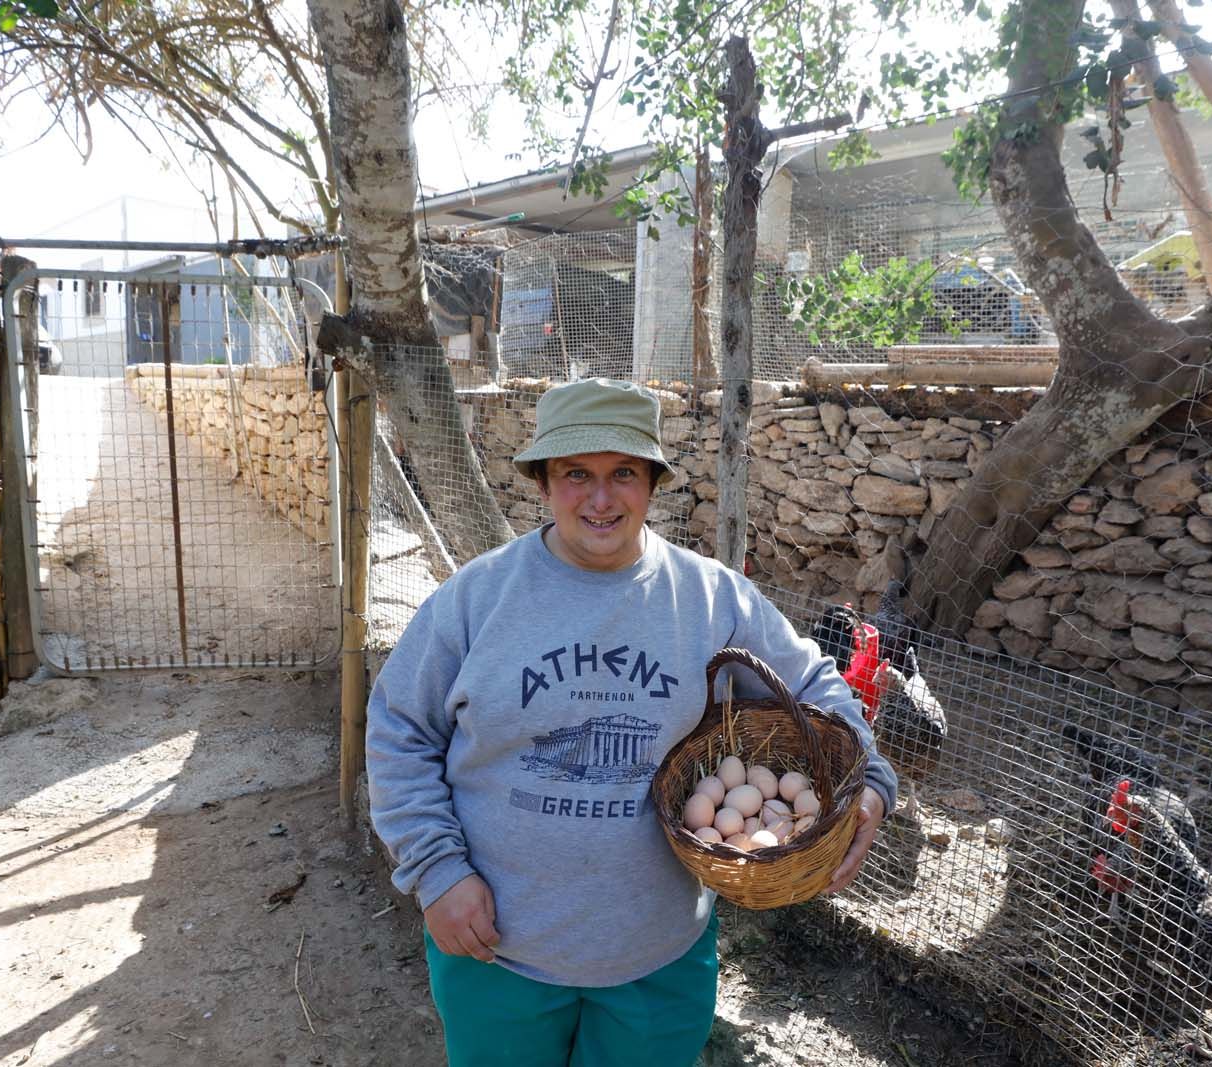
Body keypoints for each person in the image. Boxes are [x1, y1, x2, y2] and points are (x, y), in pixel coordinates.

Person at [367, 377, 899, 1067]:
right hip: (495, 953)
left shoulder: (711, 598)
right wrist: (437, 871)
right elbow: (398, 730)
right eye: (574, 474)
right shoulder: (476, 600)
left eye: (623, 472)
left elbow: (813, 686)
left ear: (652, 480)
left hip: (657, 961)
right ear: (542, 483)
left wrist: (874, 777)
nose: (599, 496)